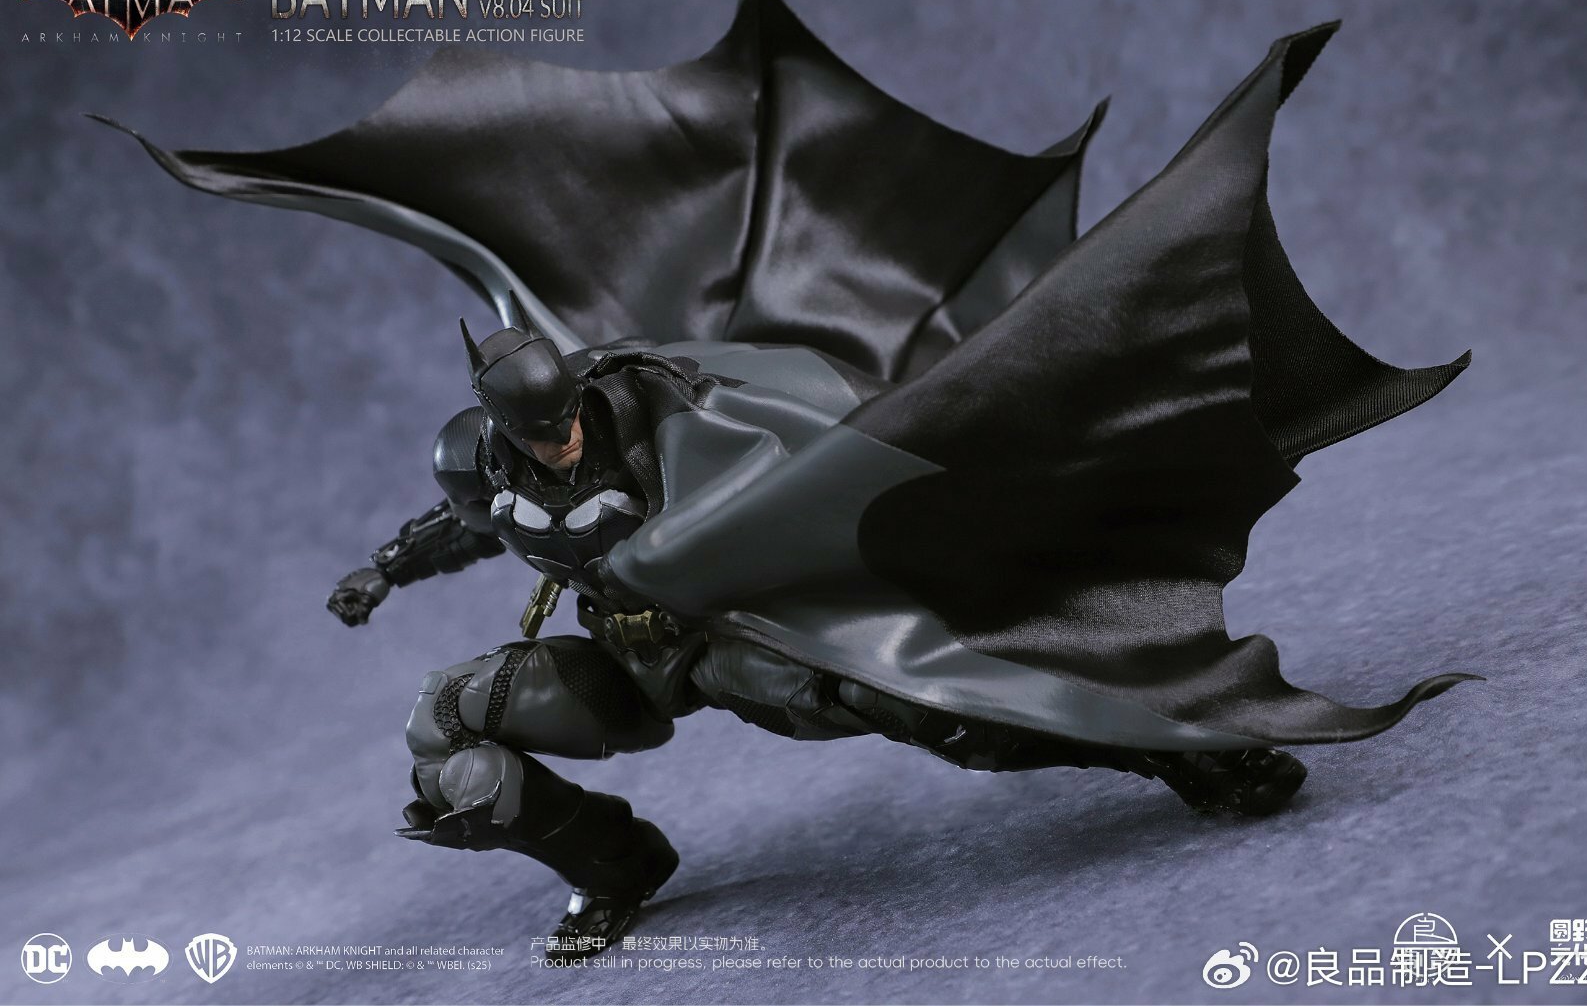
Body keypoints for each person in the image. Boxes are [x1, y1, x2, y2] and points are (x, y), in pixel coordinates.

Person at [327, 299, 1309, 960]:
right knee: (446, 729)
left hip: (733, 625)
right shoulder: (486, 467)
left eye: (566, 421)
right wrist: (383, 570)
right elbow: (461, 527)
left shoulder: (654, 404)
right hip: (627, 656)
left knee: (922, 703)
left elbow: (782, 440)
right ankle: (616, 868)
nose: (562, 441)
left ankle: (1179, 750)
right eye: (540, 434)